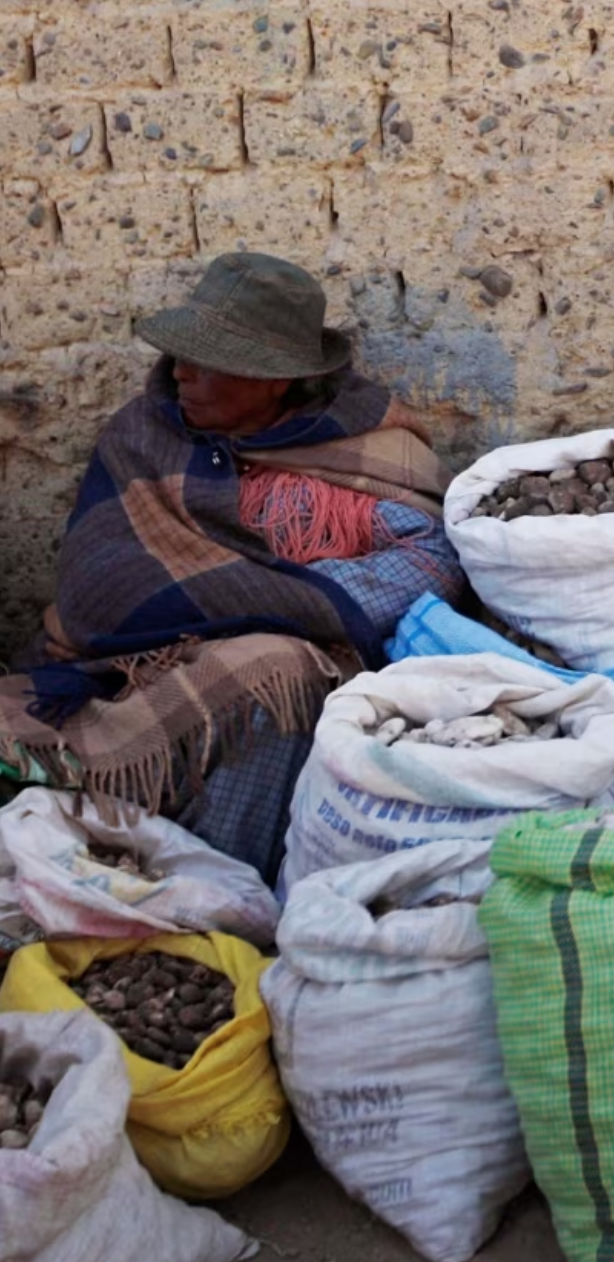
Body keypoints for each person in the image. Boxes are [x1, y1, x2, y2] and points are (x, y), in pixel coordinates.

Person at [0, 253, 460, 878]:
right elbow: (96, 585)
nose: (181, 372)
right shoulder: (142, 434)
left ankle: (212, 880)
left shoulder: (366, 451)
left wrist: (283, 606)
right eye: (182, 354)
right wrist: (250, 604)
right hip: (122, 670)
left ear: (275, 379)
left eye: (207, 362)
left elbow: (432, 564)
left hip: (277, 677)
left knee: (277, 676)